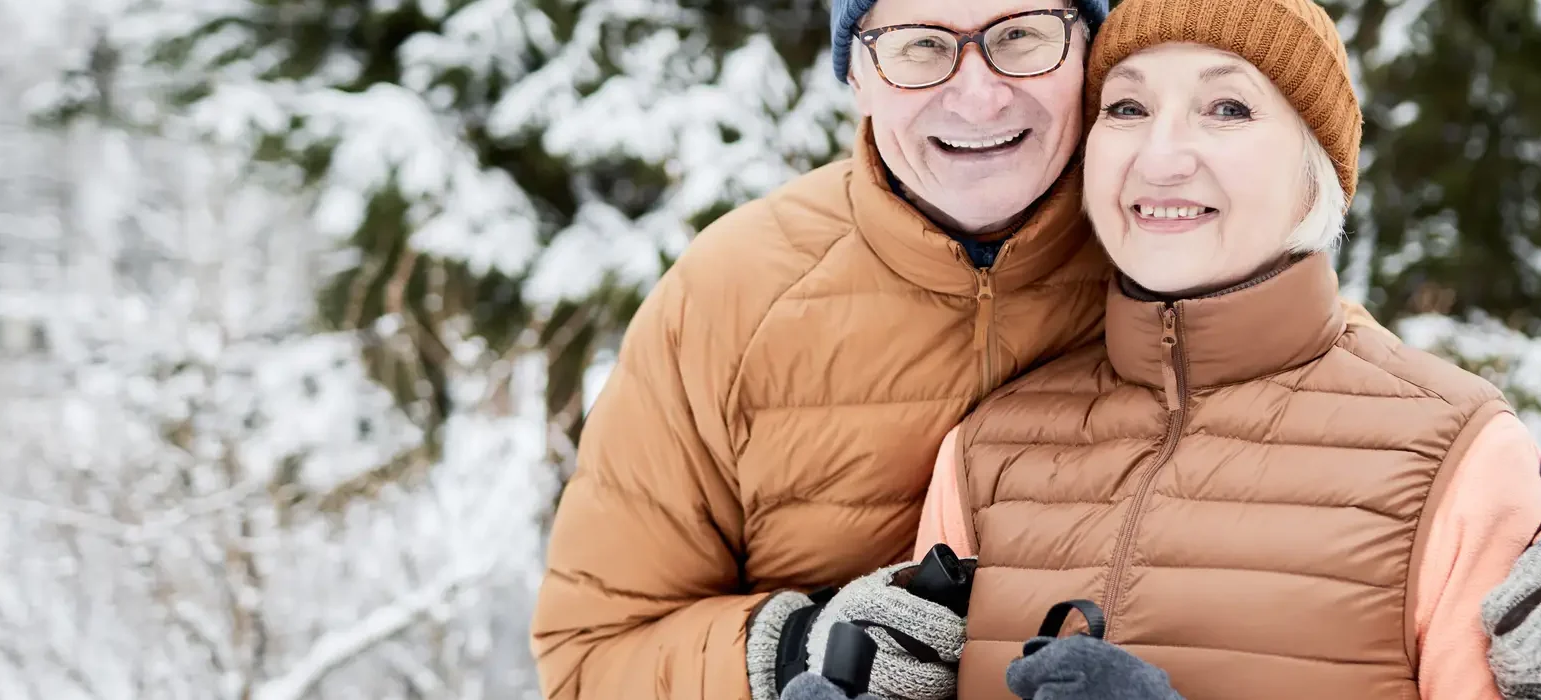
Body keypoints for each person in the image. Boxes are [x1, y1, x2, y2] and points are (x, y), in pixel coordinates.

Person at [770, 0, 1541, 699]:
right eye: (1127, 110)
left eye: (1227, 111)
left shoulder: (1454, 455)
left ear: (1316, 176)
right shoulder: (989, 450)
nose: (1162, 155)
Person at [526, 1, 1352, 698]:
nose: (980, 96)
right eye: (921, 45)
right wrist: (793, 647)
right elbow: (589, 653)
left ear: (1087, 55)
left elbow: (1339, 383)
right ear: (856, 75)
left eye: (1021, 34)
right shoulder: (731, 295)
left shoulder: (1165, 235)